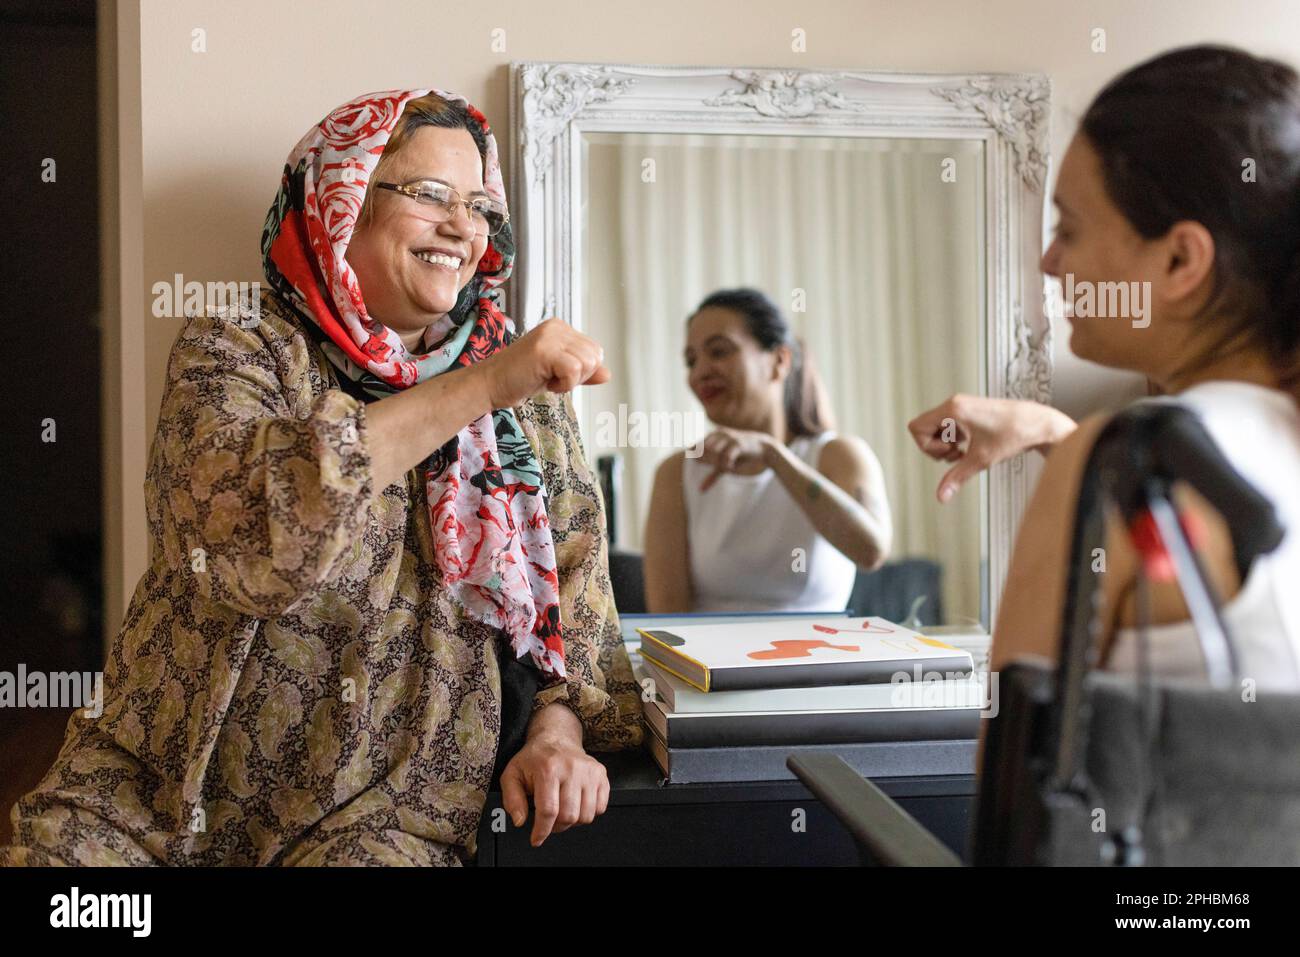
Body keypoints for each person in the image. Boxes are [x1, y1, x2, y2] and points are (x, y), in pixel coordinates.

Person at [1, 89, 642, 867]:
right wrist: (482, 385)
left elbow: (576, 616)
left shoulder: (527, 404)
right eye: (429, 194)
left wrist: (557, 734)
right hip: (152, 800)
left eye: (478, 204)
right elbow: (248, 545)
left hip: (388, 819)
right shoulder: (236, 349)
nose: (462, 225)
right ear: (342, 202)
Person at [909, 45, 1300, 691]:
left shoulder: (1113, 458)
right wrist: (1051, 432)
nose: (1050, 261)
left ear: (1180, 261)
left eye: (1069, 227)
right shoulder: (1261, 442)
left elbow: (1014, 782)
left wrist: (1081, 455)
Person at [644, 288, 893, 613]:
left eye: (719, 352)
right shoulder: (676, 472)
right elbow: (667, 617)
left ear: (779, 361)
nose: (700, 371)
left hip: (821, 659)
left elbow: (871, 550)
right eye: (691, 360)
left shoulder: (839, 456)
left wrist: (774, 456)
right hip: (710, 662)